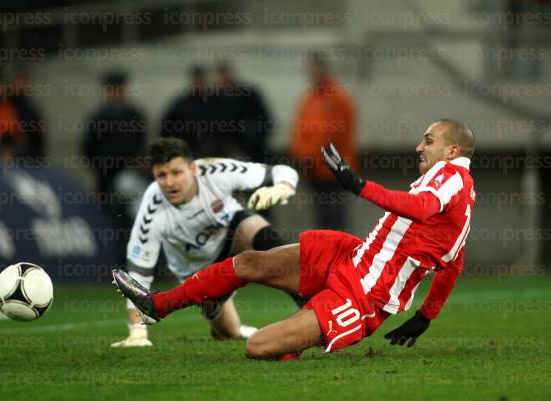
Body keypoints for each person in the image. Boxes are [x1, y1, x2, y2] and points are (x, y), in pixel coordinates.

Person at [113, 119, 476, 359]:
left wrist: (359, 185)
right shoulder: (458, 192)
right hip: (352, 255)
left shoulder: (452, 178)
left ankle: (301, 334)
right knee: (249, 262)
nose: (418, 147)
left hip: (365, 294)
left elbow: (422, 208)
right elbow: (453, 260)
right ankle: (157, 306)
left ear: (452, 151)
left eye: (428, 141)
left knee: (258, 347)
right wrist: (426, 315)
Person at [111, 137, 302, 347]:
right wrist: (137, 332)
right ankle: (233, 328)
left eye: (176, 172)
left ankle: (308, 304)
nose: (170, 182)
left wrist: (281, 189)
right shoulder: (152, 210)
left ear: (192, 169)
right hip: (199, 272)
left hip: (233, 238)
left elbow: (284, 171)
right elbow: (139, 273)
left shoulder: (217, 171)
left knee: (254, 227)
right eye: (161, 175)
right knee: (228, 333)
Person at [289, 52, 357, 230]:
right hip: (314, 170)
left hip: (332, 170)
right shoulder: (310, 98)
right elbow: (299, 130)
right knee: (322, 220)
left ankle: (339, 257)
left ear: (325, 69)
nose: (314, 72)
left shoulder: (337, 98)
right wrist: (300, 157)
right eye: (312, 68)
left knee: (334, 220)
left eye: (318, 67)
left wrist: (308, 157)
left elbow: (331, 136)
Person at [81, 71, 147, 196]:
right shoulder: (99, 117)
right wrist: (101, 165)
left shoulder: (135, 115)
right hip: (106, 175)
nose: (117, 94)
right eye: (113, 90)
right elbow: (88, 146)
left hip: (131, 171)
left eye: (120, 90)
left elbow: (141, 143)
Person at [210, 62, 272, 162]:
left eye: (226, 74)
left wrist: (257, 140)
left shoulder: (248, 94)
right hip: (227, 149)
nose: (224, 78)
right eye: (221, 75)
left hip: (252, 148)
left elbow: (264, 118)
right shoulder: (214, 99)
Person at [159, 66, 215, 158]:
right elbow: (166, 127)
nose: (199, 84)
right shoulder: (182, 104)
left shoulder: (214, 102)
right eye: (196, 81)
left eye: (201, 80)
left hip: (212, 154)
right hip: (188, 153)